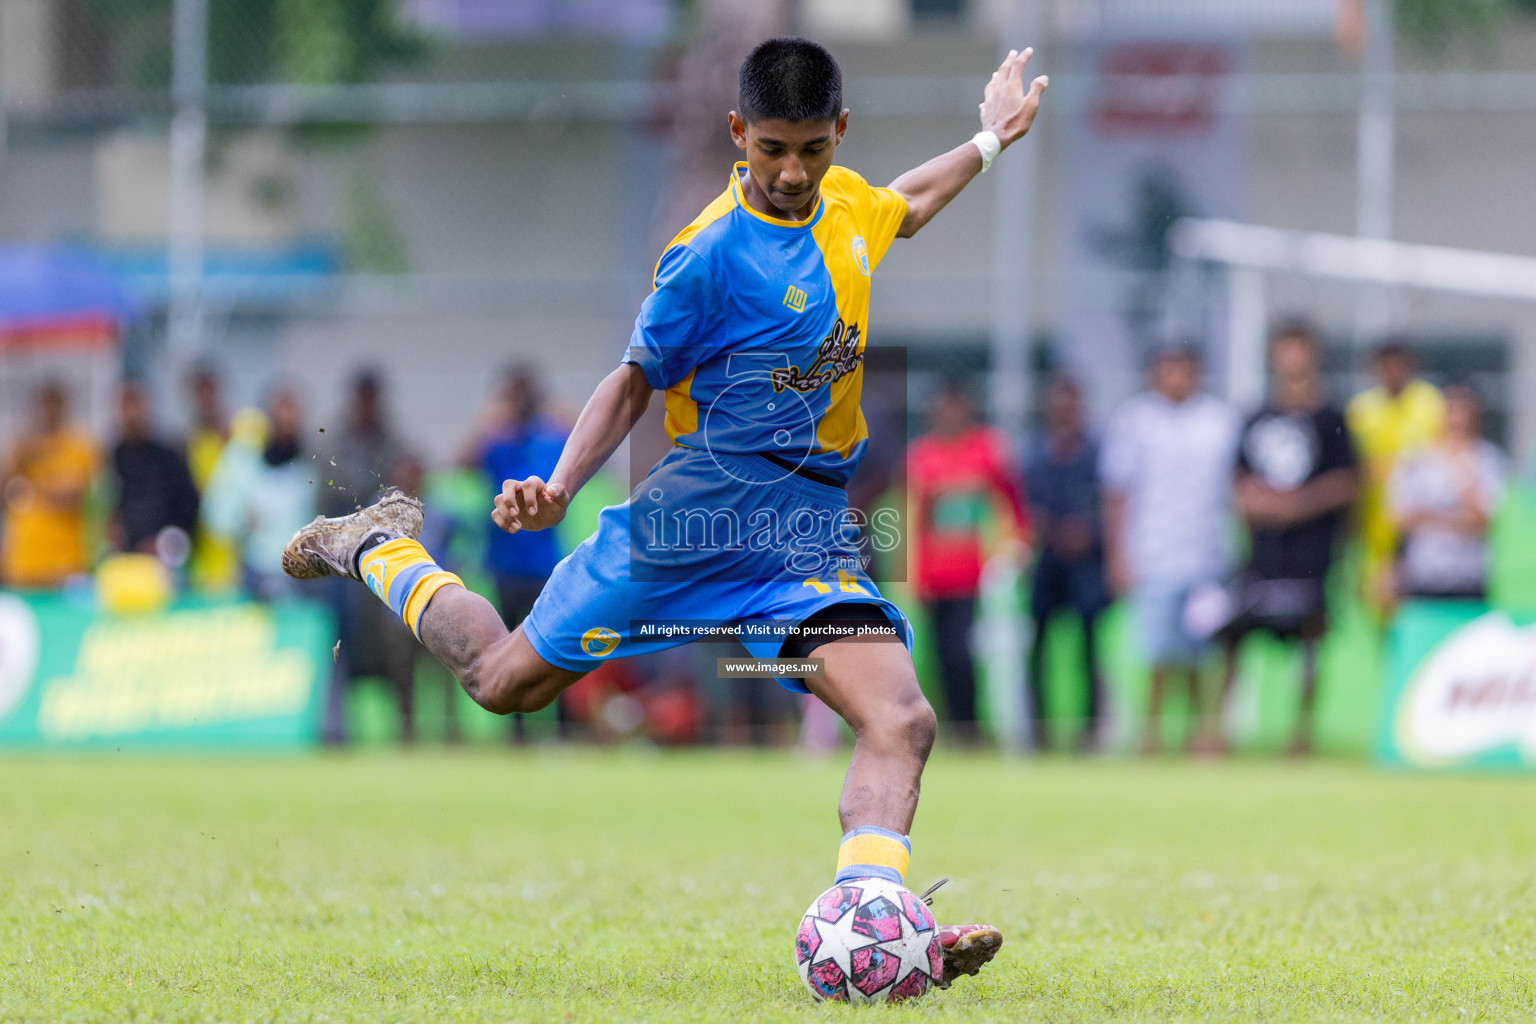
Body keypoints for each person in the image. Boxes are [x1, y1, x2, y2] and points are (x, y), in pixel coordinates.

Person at [283, 37, 1049, 985]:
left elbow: (913, 202)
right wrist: (561, 486)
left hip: (804, 534)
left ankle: (879, 924)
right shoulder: (708, 254)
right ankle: (374, 546)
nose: (792, 170)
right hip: (697, 520)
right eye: (772, 148)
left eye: (812, 148)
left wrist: (990, 138)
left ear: (839, 136)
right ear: (739, 135)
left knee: (901, 718)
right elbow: (631, 382)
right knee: (500, 680)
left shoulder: (850, 204)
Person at [1217, 322, 1360, 757]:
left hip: (1312, 553)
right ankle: (1219, 731)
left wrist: (1299, 505)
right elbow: (1236, 479)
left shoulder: (1332, 419)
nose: (1293, 361)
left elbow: (1350, 482)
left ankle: (1302, 733)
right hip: (1262, 552)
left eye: (1300, 351)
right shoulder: (1257, 417)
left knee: (1309, 641)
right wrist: (1259, 504)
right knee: (1234, 637)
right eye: (1285, 351)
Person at [1100, 345, 1240, 756]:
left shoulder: (1220, 421)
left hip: (1209, 555)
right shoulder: (1135, 420)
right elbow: (1116, 492)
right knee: (1158, 652)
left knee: (1203, 653)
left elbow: (1235, 487)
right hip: (1153, 553)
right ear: (1155, 374)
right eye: (1169, 369)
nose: (1177, 377)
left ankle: (1203, 735)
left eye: (1185, 369)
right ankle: (1152, 736)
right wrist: (1117, 554)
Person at [906, 381, 1029, 745]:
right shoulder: (923, 455)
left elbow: (1011, 503)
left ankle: (972, 725)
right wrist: (912, 573)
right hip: (936, 574)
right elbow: (914, 519)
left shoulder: (988, 449)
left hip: (977, 575)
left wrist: (1013, 549)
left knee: (966, 654)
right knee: (941, 656)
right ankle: (952, 727)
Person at [1023, 375, 1109, 753]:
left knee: (1088, 649)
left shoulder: (1097, 454)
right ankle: (1039, 730)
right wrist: (1052, 531)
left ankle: (1091, 729)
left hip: (1087, 563)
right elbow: (1022, 505)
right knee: (1038, 648)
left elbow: (1112, 501)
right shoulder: (1034, 455)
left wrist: (1089, 531)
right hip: (1045, 563)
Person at [1346, 339, 1445, 615]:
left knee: (1417, 603)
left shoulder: (1431, 405)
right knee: (1378, 603)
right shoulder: (1361, 410)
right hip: (1375, 526)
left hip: (1418, 524)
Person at [201, 385, 318, 602]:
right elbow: (215, 514)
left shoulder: (312, 467)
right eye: (280, 418)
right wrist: (242, 519)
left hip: (302, 574)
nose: (286, 424)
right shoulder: (244, 460)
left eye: (292, 418)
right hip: (254, 571)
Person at [1388, 385, 1505, 602]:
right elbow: (1400, 517)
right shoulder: (1416, 458)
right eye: (1452, 411)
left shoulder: (1487, 459)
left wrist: (1460, 470)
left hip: (1468, 577)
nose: (1457, 421)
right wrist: (1457, 520)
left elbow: (1482, 520)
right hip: (1423, 576)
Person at [1, 380, 98, 588]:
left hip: (63, 565)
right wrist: (16, 458)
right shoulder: (23, 447)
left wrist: (30, 484)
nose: (48, 411)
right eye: (44, 404)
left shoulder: (78, 445)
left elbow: (72, 495)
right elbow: (5, 492)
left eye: (54, 404)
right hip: (22, 564)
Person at [109, 381, 200, 558]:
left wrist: (163, 542)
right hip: (122, 558)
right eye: (125, 407)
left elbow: (188, 509)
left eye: (135, 406)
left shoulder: (169, 459)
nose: (131, 415)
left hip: (163, 559)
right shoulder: (112, 458)